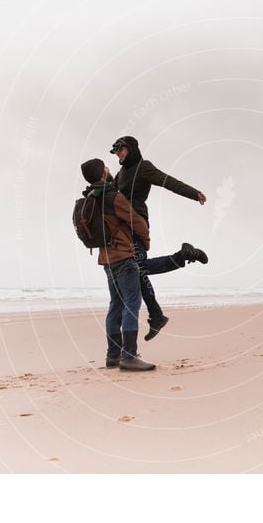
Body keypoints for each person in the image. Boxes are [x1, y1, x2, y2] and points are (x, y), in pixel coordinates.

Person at [110, 136, 209, 341]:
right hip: (122, 227)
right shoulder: (120, 174)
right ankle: (156, 315)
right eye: (115, 151)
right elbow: (108, 193)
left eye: (120, 149)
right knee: (138, 269)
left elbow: (167, 181)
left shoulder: (143, 167)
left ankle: (182, 257)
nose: (118, 153)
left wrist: (194, 193)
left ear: (131, 148)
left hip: (136, 224)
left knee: (138, 268)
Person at [80, 158, 155, 371]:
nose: (109, 168)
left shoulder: (91, 197)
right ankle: (129, 356)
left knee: (116, 304)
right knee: (132, 303)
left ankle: (113, 355)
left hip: (106, 259)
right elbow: (135, 220)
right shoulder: (113, 196)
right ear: (102, 173)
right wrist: (146, 243)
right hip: (123, 256)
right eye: (105, 167)